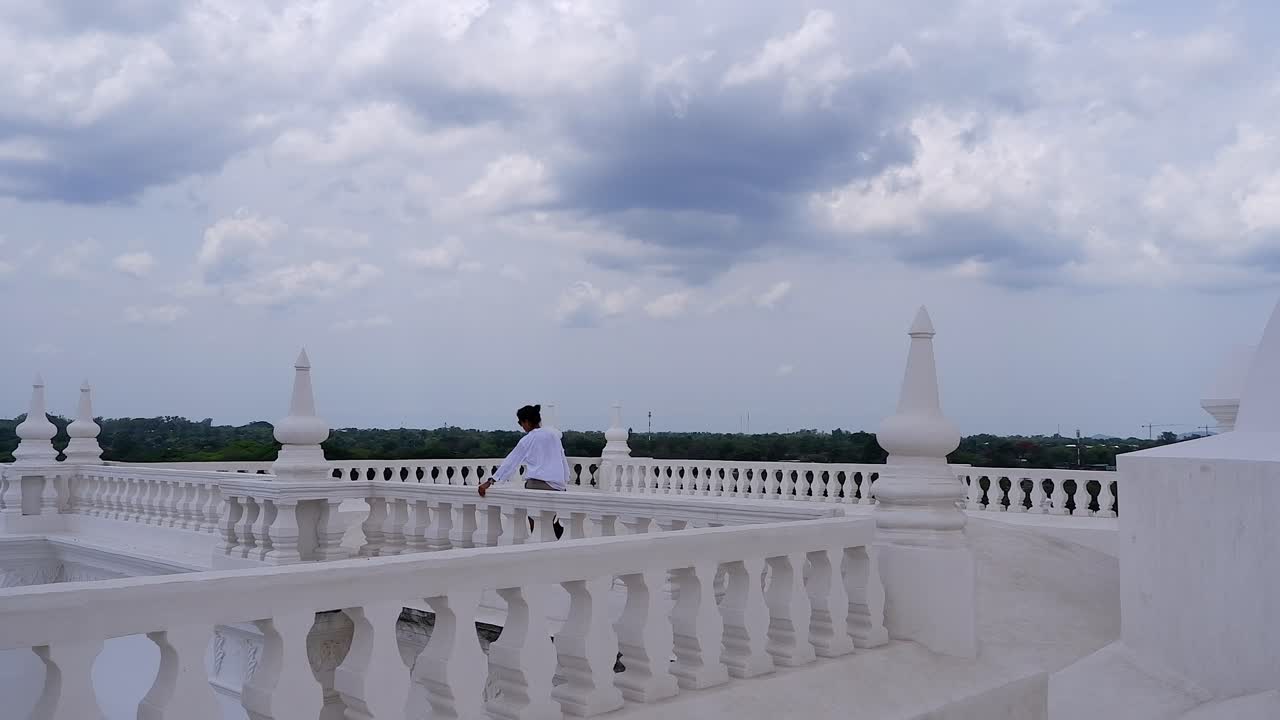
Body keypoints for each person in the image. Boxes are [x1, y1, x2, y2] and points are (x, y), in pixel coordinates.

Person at [477, 404, 567, 538]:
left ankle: (536, 538)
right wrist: (564, 483)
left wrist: (491, 481)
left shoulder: (528, 439)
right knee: (549, 520)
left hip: (538, 484)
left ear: (527, 421)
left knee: (534, 519)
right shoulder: (553, 435)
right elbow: (562, 459)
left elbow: (511, 462)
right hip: (557, 486)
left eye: (521, 422)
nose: (521, 426)